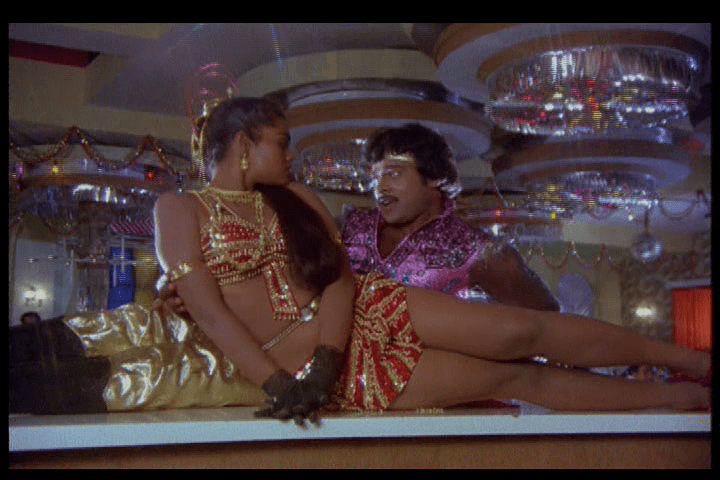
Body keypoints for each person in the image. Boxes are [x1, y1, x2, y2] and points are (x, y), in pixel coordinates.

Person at [11, 97, 709, 420]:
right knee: (512, 376)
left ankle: (693, 361)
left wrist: (327, 353)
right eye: (281, 142)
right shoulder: (178, 208)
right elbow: (212, 314)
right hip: (329, 377)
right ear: (245, 145)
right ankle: (679, 400)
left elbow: (342, 278)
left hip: (358, 325)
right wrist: (286, 383)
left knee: (521, 329)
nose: (292, 154)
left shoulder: (295, 198)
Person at [342, 123, 560, 311]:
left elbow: (545, 318)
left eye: (393, 173)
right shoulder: (350, 226)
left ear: (434, 176)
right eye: (376, 177)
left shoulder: (477, 251)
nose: (380, 188)